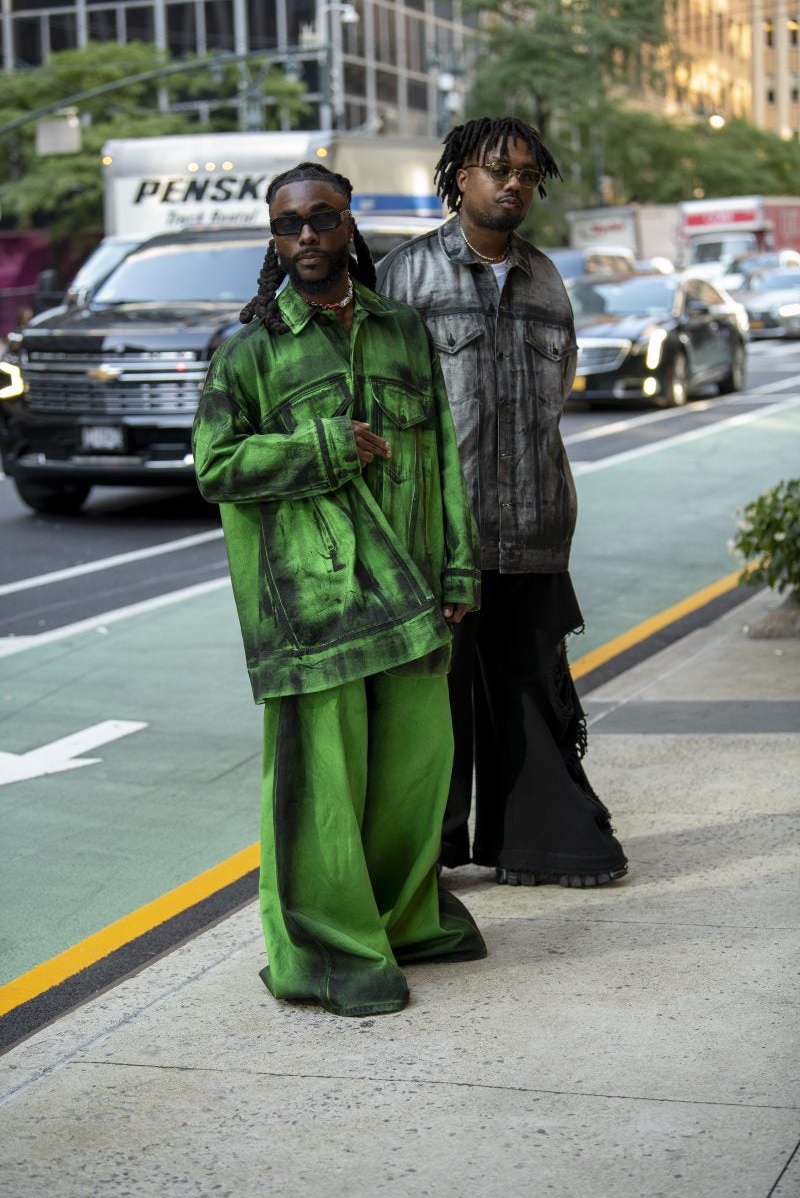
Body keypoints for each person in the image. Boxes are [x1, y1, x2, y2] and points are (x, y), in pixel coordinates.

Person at [192, 162, 486, 1019]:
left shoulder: (403, 330)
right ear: (274, 239)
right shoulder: (249, 350)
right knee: (318, 789)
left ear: (351, 224)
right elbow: (213, 467)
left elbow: (443, 463)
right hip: (312, 606)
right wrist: (322, 445)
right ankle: (324, 951)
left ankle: (402, 920)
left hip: (414, 594)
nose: (308, 238)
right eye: (290, 226)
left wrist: (459, 566)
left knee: (413, 773)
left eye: (324, 219)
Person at [376, 117, 628, 888]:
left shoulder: (547, 277)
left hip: (535, 527)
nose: (513, 182)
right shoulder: (405, 277)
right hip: (439, 537)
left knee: (531, 694)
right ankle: (430, 849)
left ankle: (538, 842)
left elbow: (554, 399)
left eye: (525, 172)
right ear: (458, 179)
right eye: (496, 169)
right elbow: (387, 412)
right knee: (433, 706)